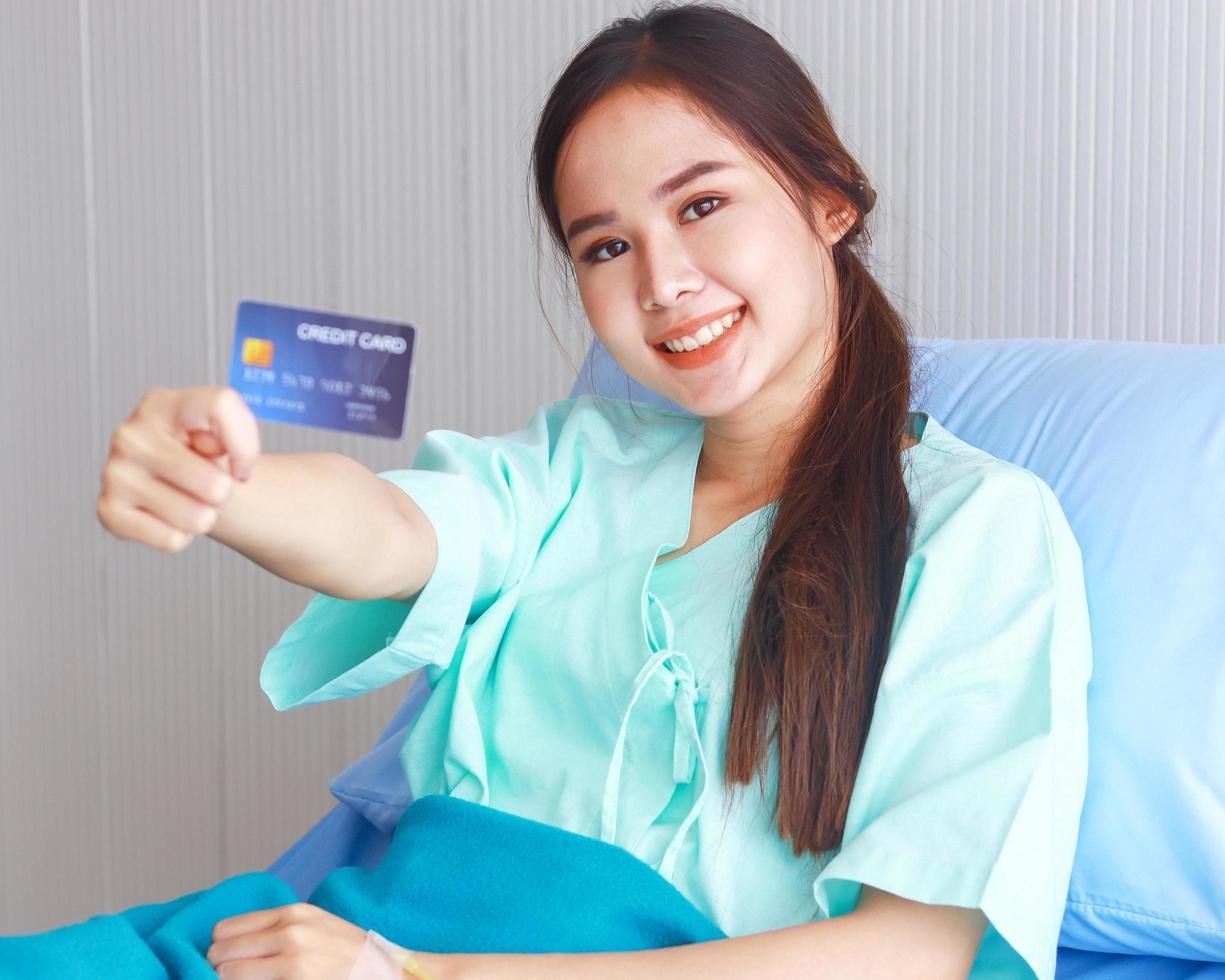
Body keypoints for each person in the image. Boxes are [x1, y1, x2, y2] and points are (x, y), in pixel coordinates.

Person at [86, 3, 1091, 978]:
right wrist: (227, 486)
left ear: (829, 198)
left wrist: (428, 975)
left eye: (701, 205)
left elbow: (908, 952)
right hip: (352, 931)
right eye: (605, 246)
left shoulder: (974, 531)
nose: (660, 282)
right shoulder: (577, 465)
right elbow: (399, 529)